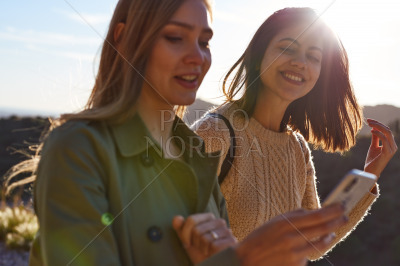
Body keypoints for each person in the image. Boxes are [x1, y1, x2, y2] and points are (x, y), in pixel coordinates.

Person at [4, 1, 350, 265]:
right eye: (174, 38)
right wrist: (242, 258)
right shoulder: (79, 148)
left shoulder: (194, 155)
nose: (197, 57)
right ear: (123, 40)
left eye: (204, 42)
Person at [193, 7, 398, 260]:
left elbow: (313, 243)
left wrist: (370, 175)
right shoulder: (214, 133)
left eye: (313, 56)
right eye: (287, 48)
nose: (300, 63)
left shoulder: (297, 148)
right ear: (258, 56)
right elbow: (169, 240)